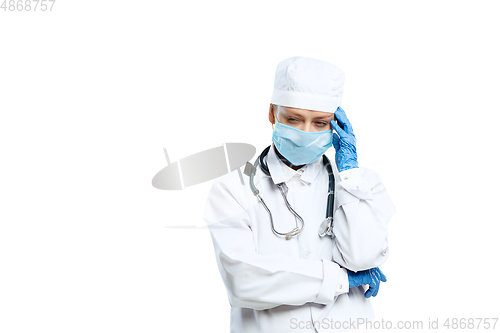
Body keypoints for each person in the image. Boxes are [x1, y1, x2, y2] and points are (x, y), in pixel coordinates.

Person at [203, 56, 396, 333]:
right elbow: (244, 279)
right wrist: (340, 279)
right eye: (293, 119)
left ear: (335, 125)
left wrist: (350, 172)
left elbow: (364, 256)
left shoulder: (356, 184)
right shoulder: (233, 189)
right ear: (272, 114)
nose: (306, 132)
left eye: (320, 123)